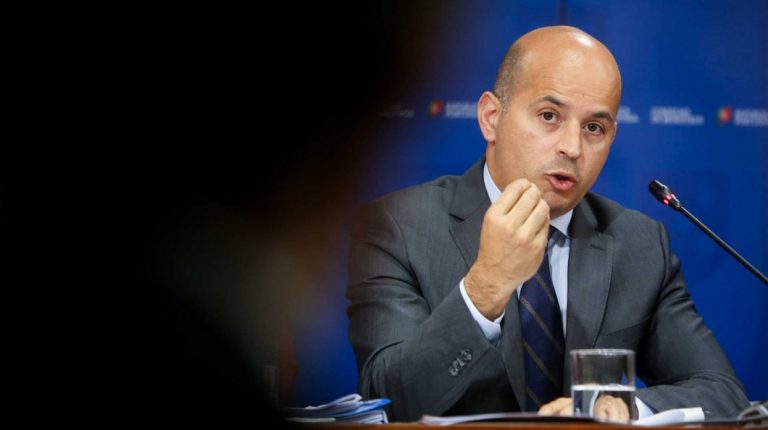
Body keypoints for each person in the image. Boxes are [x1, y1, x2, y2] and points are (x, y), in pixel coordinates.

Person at [346, 25, 750, 422]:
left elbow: (722, 392)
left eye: (594, 128)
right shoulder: (398, 227)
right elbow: (388, 399)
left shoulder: (638, 244)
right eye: (549, 115)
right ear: (491, 117)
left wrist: (627, 408)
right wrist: (485, 288)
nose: (572, 148)